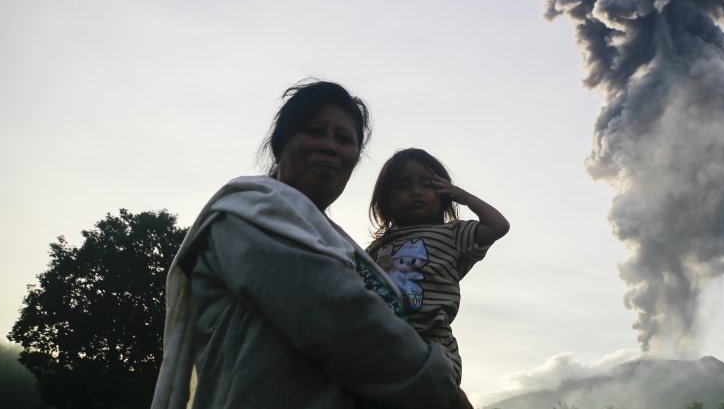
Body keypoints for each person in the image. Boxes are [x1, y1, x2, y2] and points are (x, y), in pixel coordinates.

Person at [151, 81, 471, 409]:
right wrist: (445, 392)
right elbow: (343, 321)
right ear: (281, 143)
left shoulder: (343, 246)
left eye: (344, 139)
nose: (329, 147)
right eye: (315, 131)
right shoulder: (246, 214)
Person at [367, 148, 510, 384]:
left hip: (433, 342)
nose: (416, 192)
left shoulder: (453, 234)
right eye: (403, 186)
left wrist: (463, 196)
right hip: (383, 341)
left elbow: (498, 225)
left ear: (444, 194)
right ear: (386, 201)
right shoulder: (376, 248)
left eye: (427, 184)